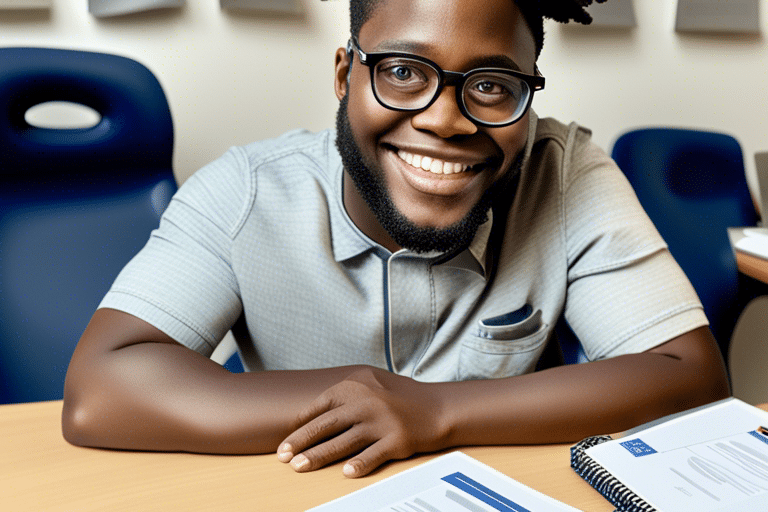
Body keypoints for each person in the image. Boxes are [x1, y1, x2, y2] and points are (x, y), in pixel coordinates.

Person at [62, 0, 730, 478]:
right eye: (403, 72)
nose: (445, 120)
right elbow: (101, 388)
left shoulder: (565, 173)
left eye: (493, 86)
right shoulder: (245, 189)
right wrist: (372, 394)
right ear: (343, 74)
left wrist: (436, 410)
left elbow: (688, 371)